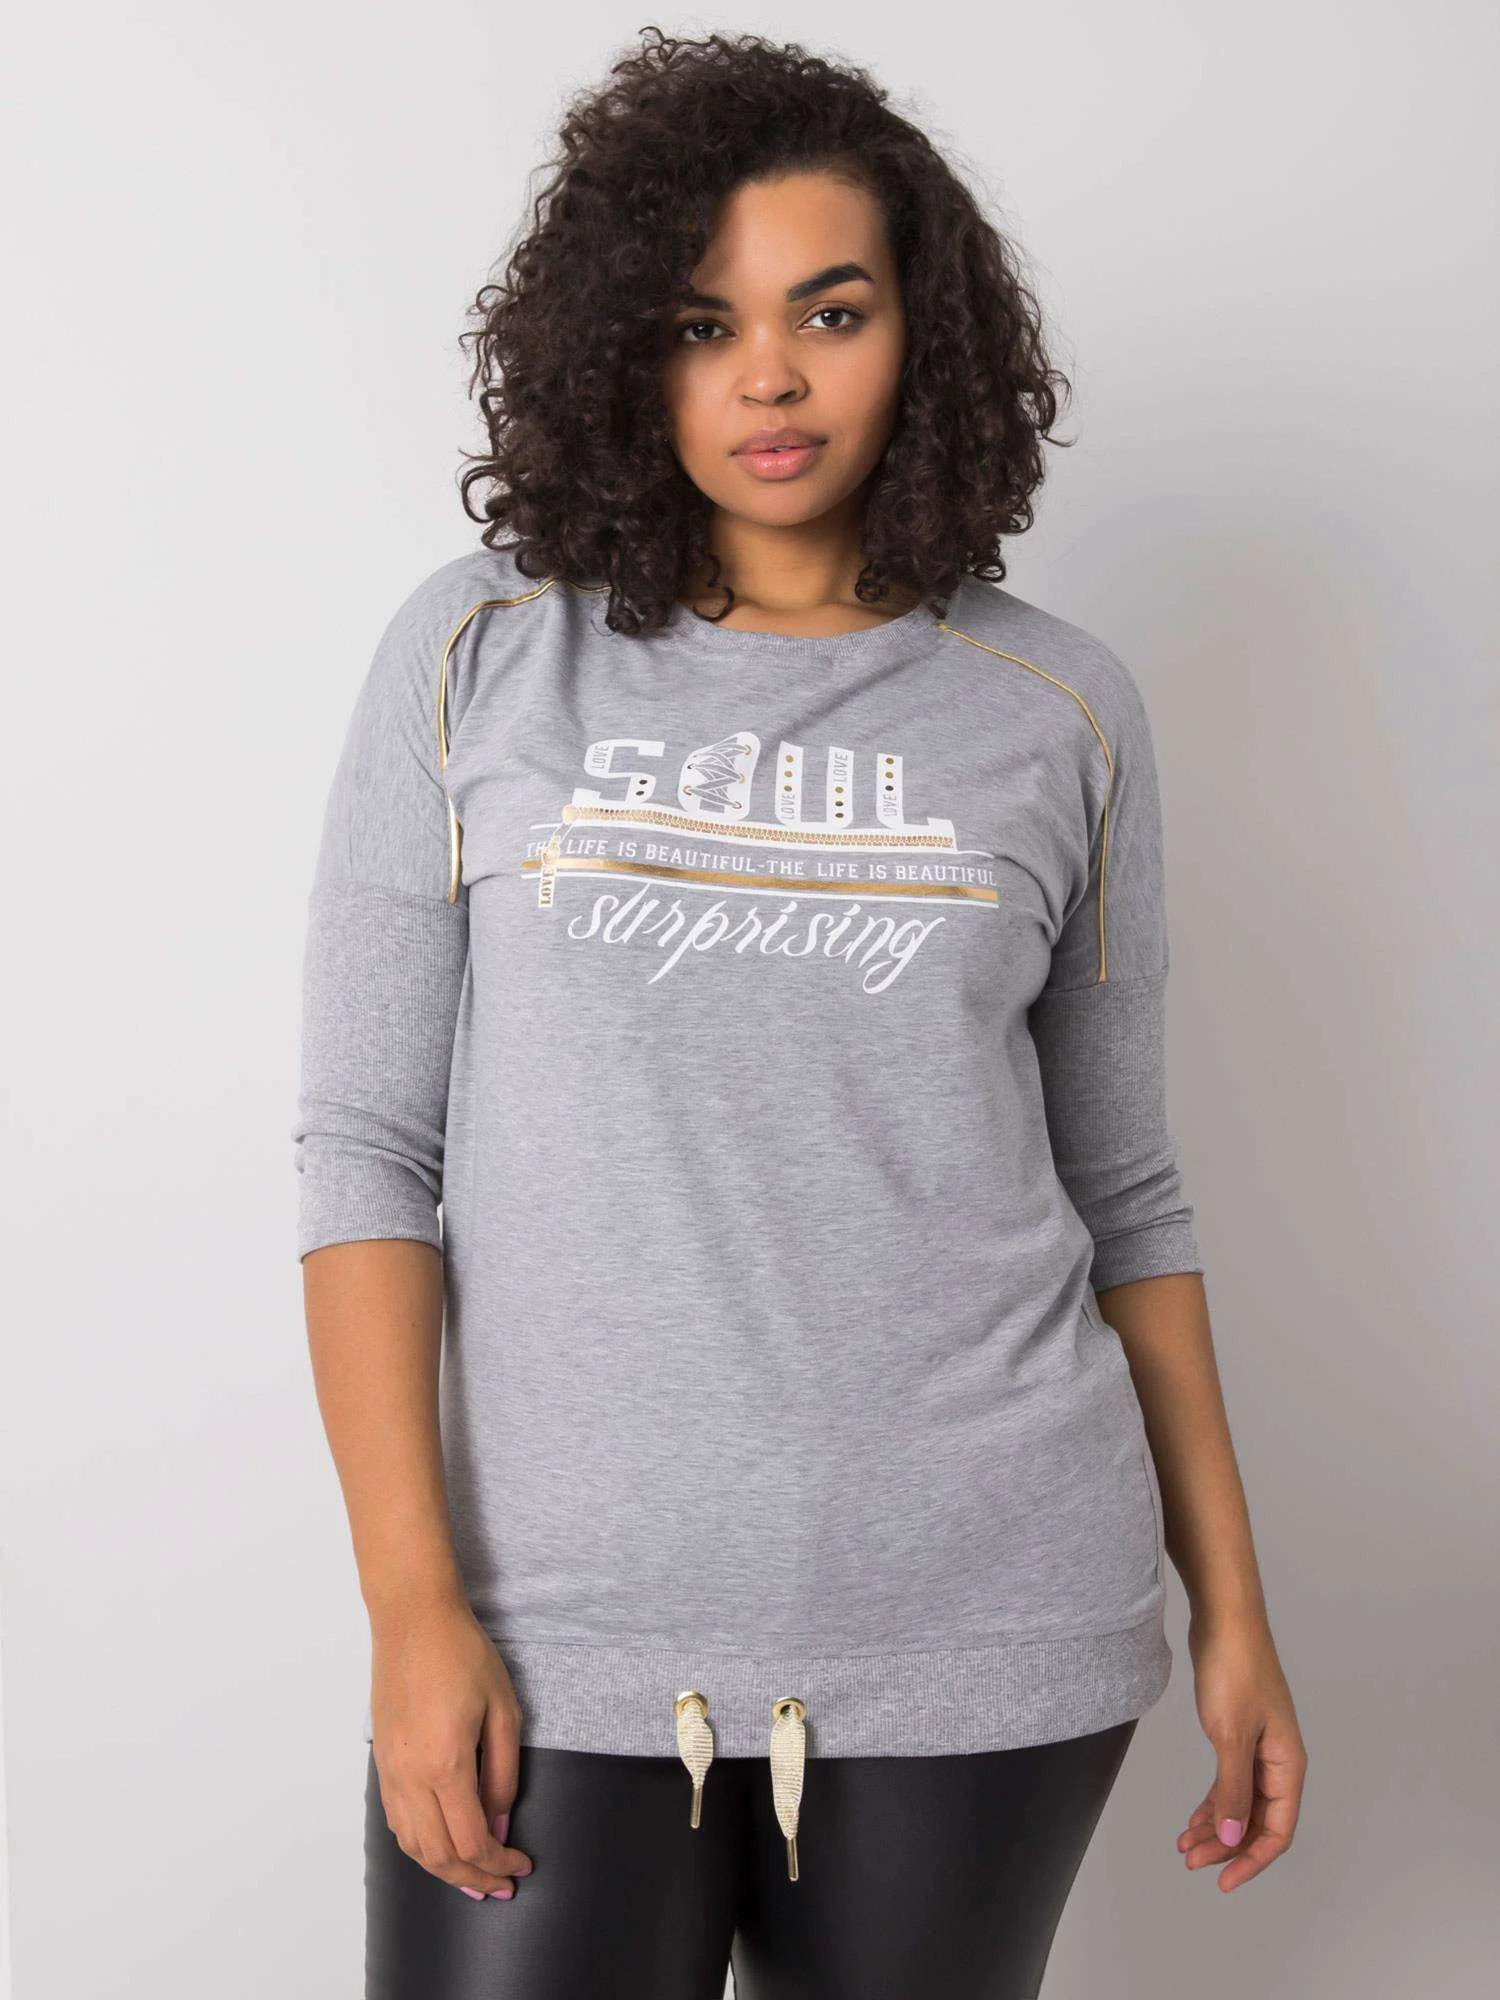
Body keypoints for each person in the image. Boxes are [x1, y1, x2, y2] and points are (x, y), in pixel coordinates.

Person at [291, 26, 1307, 1999]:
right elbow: (368, 1152)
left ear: (924, 336)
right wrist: (413, 1608)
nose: (769, 376)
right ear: (622, 348)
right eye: (704, 323)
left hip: (986, 1616)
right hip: (555, 1632)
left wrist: (1237, 1611)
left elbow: (1126, 1191)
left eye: (829, 313)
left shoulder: (1058, 709)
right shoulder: (483, 651)